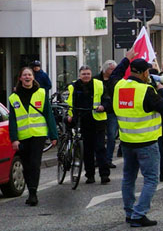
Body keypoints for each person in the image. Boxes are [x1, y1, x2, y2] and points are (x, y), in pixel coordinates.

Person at [112, 56, 163, 227]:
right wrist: (161, 90)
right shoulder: (147, 90)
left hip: (127, 142)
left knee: (128, 178)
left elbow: (115, 74)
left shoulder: (118, 86)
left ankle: (129, 212)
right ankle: (139, 214)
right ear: (145, 73)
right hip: (146, 142)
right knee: (151, 179)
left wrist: (126, 59)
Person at [9, 67, 58, 206]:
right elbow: (12, 120)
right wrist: (14, 139)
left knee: (35, 163)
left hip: (38, 134)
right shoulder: (13, 97)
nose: (27, 77)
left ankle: (32, 193)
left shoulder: (41, 93)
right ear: (20, 78)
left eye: (29, 75)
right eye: (24, 75)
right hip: (23, 136)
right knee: (26, 165)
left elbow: (49, 115)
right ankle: (31, 189)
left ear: (33, 77)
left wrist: (54, 135)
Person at [67, 65, 111, 184]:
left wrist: (103, 106)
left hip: (98, 121)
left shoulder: (99, 84)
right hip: (83, 121)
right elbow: (70, 103)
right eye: (84, 74)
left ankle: (104, 175)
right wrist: (70, 115)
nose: (86, 76)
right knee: (87, 150)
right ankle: (89, 175)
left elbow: (107, 100)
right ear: (79, 75)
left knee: (100, 148)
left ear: (91, 75)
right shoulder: (74, 86)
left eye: (88, 74)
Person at [97, 60, 119, 169]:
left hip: (112, 111)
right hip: (98, 112)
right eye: (111, 69)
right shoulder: (96, 79)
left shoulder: (116, 80)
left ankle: (108, 159)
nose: (113, 71)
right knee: (98, 137)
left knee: (111, 136)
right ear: (105, 69)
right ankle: (98, 159)